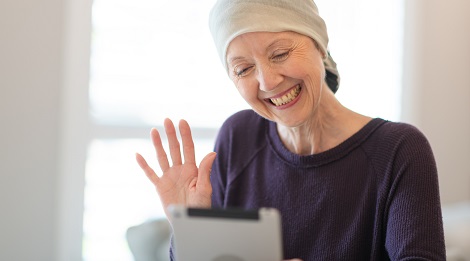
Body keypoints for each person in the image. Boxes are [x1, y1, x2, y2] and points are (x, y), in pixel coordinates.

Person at [136, 0, 446, 260]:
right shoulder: (238, 137)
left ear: (319, 47)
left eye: (280, 53)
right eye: (243, 69)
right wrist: (190, 231)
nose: (268, 82)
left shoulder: (399, 151)